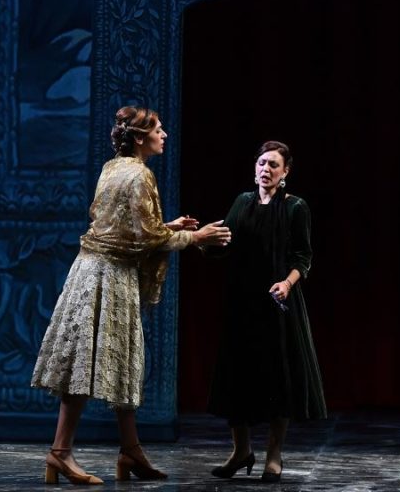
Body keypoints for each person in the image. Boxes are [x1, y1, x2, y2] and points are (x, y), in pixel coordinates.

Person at [31, 106, 232, 484]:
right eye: (158, 129)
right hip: (109, 275)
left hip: (91, 270)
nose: (164, 135)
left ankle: (130, 449)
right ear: (140, 137)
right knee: (84, 362)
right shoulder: (140, 174)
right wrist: (197, 237)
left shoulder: (113, 167)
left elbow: (123, 227)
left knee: (120, 360)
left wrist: (168, 225)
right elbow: (147, 238)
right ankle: (60, 452)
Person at [205, 140, 326, 483]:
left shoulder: (295, 207)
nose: (266, 169)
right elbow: (225, 244)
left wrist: (287, 283)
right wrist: (201, 240)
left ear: (285, 171)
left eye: (273, 164)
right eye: (262, 163)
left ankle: (274, 454)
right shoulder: (242, 202)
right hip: (242, 302)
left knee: (278, 378)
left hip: (277, 302)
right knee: (237, 376)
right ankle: (241, 450)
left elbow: (303, 256)